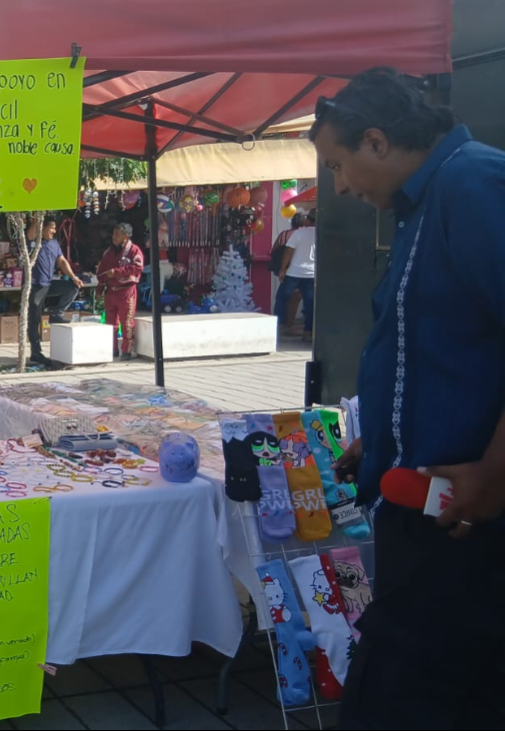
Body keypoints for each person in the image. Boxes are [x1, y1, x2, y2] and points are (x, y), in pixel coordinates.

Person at [313, 68, 505, 728]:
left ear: (375, 141)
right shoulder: (424, 203)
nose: (340, 185)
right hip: (421, 504)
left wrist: (494, 470)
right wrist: (382, 437)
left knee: (394, 699)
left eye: (337, 166)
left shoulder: (472, 183)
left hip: (463, 518)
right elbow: (443, 348)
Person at [24, 216, 85, 367]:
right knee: (34, 320)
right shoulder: (34, 242)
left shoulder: (54, 243)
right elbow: (30, 234)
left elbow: (62, 261)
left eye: (54, 228)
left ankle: (57, 313)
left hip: (49, 284)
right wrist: (36, 220)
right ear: (43, 228)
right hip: (35, 286)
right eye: (51, 228)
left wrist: (73, 277)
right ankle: (36, 352)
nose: (54, 231)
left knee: (72, 287)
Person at [96, 222, 145, 360]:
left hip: (126, 292)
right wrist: (99, 290)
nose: (114, 237)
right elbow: (101, 273)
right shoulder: (108, 252)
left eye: (117, 234)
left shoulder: (134, 250)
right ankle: (112, 349)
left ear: (126, 236)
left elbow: (138, 267)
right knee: (110, 324)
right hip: (111, 292)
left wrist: (117, 272)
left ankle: (126, 351)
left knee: (127, 323)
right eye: (113, 234)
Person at [275, 209, 316, 339]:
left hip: (294, 272)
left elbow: (288, 251)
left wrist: (282, 269)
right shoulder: (321, 234)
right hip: (311, 274)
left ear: (308, 220)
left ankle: (279, 325)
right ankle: (308, 331)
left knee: (282, 298)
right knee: (310, 304)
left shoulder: (299, 233)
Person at [270, 212, 309, 329]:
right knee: (298, 297)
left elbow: (274, 249)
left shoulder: (284, 235)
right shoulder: (304, 235)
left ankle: (280, 323)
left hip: (286, 270)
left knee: (282, 297)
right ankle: (290, 323)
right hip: (300, 270)